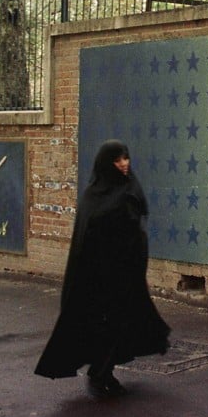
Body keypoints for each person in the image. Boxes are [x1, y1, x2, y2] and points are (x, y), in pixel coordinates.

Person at [35, 140, 170, 398]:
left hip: (125, 274)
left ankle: (104, 373)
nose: (124, 164)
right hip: (98, 278)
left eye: (126, 158)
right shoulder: (93, 196)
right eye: (117, 160)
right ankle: (99, 374)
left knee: (124, 325)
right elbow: (89, 238)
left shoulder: (129, 187)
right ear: (106, 164)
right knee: (107, 327)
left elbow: (134, 225)